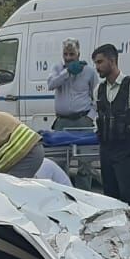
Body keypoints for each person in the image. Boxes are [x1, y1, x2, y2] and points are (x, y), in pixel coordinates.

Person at [92, 43, 130, 244]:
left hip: (124, 147)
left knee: (127, 194)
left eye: (100, 62)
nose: (97, 67)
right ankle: (116, 238)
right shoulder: (99, 89)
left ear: (112, 60)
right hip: (106, 147)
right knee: (110, 195)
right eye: (95, 63)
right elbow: (98, 115)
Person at [48, 38, 98, 189]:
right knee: (60, 161)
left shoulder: (89, 71)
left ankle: (85, 195)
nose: (68, 58)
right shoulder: (58, 68)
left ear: (79, 54)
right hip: (62, 121)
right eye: (66, 54)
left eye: (72, 54)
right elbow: (51, 84)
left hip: (82, 120)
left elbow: (97, 96)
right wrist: (67, 72)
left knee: (85, 164)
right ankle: (62, 193)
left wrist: (90, 117)